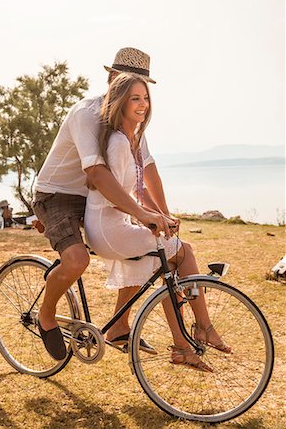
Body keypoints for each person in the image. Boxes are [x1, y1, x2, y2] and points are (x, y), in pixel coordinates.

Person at [32, 47, 177, 360]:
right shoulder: (86, 114)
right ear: (113, 78)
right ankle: (45, 317)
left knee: (143, 248)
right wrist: (141, 212)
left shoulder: (130, 120)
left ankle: (119, 328)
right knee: (76, 261)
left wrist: (163, 214)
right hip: (57, 194)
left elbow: (146, 167)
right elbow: (96, 173)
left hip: (93, 196)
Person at [85, 73, 231, 372]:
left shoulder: (133, 140)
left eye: (145, 98)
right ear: (120, 103)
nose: (143, 104)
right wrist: (146, 216)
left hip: (120, 223)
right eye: (134, 98)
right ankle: (201, 327)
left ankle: (181, 343)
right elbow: (110, 192)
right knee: (183, 252)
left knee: (170, 263)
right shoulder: (117, 142)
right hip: (107, 227)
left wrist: (161, 215)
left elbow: (139, 189)